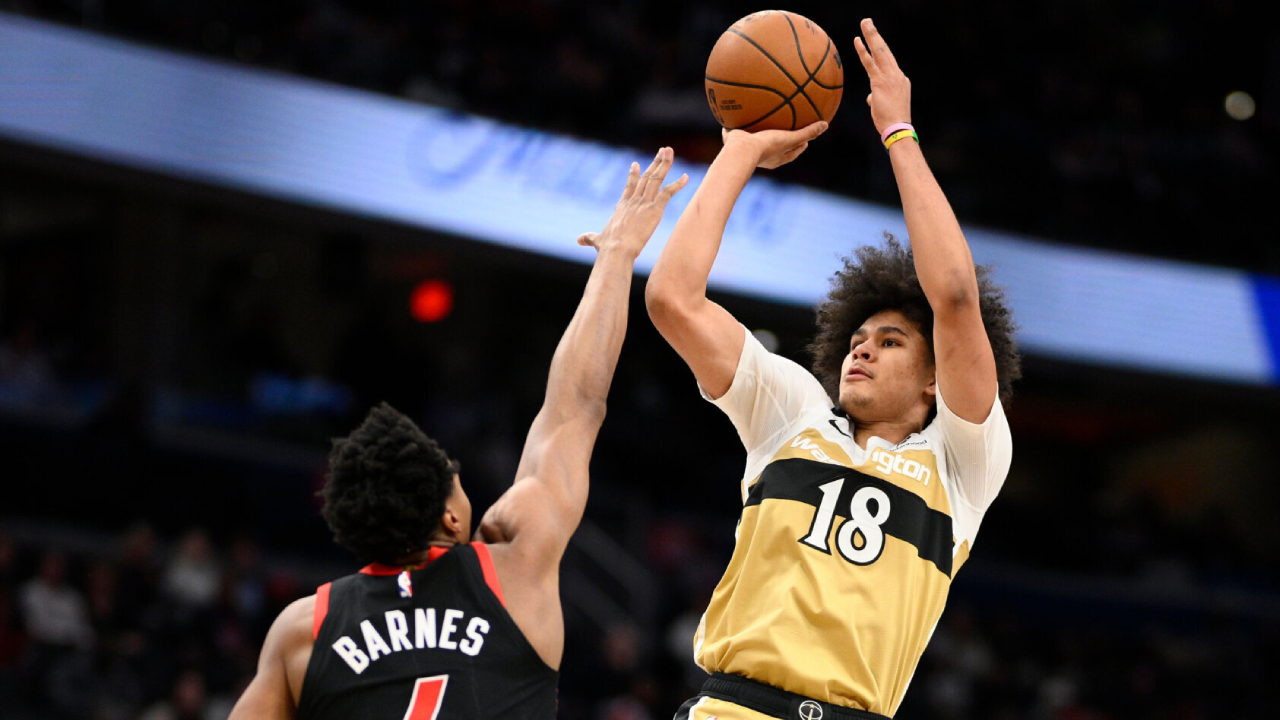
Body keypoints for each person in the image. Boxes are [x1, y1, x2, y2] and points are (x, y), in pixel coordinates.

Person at [226, 148, 689, 720]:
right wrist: (617, 256)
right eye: (458, 482)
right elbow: (575, 406)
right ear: (449, 518)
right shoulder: (516, 566)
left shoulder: (303, 630)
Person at [646, 18, 1020, 720]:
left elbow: (956, 297)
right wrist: (740, 152)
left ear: (935, 377)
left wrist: (899, 134)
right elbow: (672, 299)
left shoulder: (963, 463)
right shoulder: (791, 412)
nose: (862, 348)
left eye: (891, 341)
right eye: (857, 337)